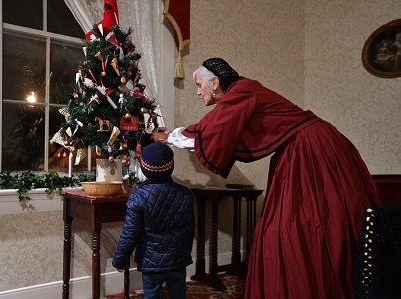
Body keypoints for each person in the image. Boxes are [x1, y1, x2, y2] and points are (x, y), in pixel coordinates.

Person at [151, 58, 380, 299]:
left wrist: (171, 138)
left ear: (215, 82)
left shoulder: (241, 91)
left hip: (310, 148)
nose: (197, 92)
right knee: (312, 220)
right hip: (308, 145)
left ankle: (310, 285)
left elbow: (211, 131)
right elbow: (215, 129)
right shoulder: (242, 92)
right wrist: (175, 136)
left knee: (303, 222)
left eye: (199, 85)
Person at [112, 142, 195, 299]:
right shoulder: (185, 194)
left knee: (152, 296)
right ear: (171, 166)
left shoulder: (138, 197)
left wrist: (119, 261)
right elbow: (190, 229)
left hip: (151, 263)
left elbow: (130, 234)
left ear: (144, 167)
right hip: (178, 259)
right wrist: (185, 253)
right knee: (179, 294)